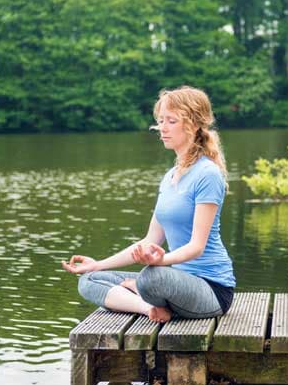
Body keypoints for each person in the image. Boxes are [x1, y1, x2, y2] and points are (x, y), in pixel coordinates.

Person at [62, 86, 235, 322]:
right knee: (89, 279)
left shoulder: (208, 174)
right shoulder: (170, 177)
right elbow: (148, 241)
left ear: (193, 125)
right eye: (160, 120)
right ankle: (149, 308)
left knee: (150, 278)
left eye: (171, 121)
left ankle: (140, 289)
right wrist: (98, 264)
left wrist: (160, 261)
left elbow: (197, 247)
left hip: (211, 289)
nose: (162, 128)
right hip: (173, 279)